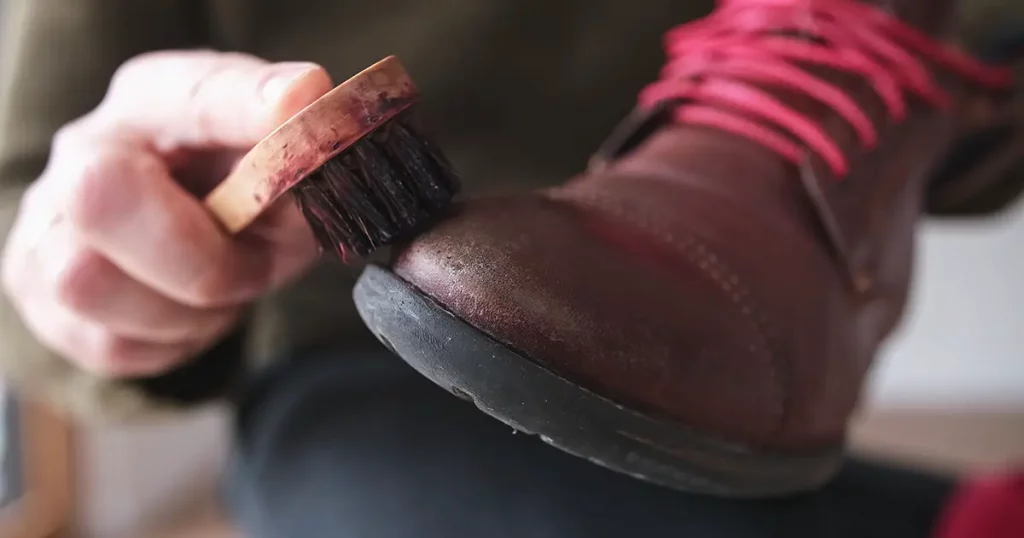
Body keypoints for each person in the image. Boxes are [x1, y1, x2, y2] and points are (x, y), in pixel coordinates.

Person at [0, 0, 1020, 537]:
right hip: (370, 345)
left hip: (753, 237)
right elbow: (23, 195)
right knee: (377, 481)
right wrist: (84, 265)